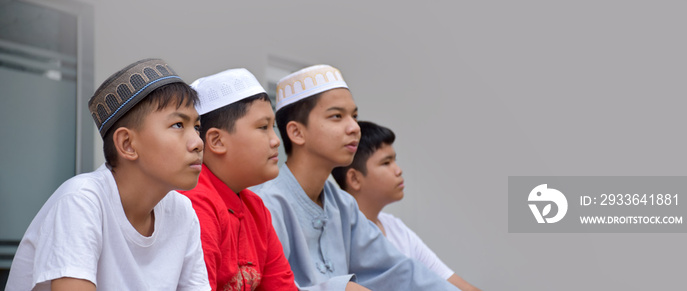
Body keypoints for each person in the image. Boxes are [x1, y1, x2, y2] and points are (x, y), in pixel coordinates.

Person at [250, 64, 459, 291]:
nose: (354, 128)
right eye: (337, 116)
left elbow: (397, 271)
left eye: (355, 116)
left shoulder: (343, 206)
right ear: (296, 132)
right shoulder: (265, 204)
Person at [5, 58, 209, 290]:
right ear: (127, 144)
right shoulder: (81, 202)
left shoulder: (182, 212)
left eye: (197, 127)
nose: (198, 143)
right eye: (178, 125)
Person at [180, 68, 296, 290]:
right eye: (263, 128)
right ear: (217, 141)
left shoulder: (256, 207)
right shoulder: (195, 202)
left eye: (272, 128)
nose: (275, 141)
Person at [331, 121, 481, 291]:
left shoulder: (396, 228)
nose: (398, 170)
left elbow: (458, 285)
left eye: (395, 160)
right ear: (354, 179)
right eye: (386, 163)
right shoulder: (336, 237)